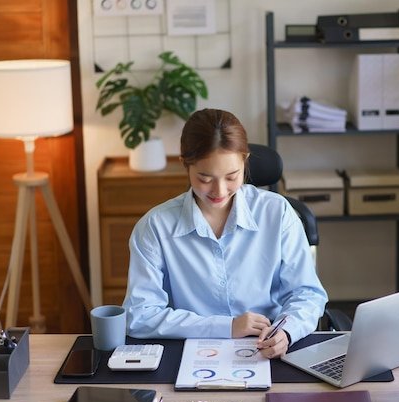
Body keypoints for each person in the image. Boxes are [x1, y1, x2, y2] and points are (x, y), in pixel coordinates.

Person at [122, 108, 328, 358]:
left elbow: (307, 293)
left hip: (267, 351)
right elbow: (140, 315)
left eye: (232, 176)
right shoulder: (155, 227)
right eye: (205, 178)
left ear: (245, 161)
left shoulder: (277, 212)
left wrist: (287, 331)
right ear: (185, 165)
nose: (219, 190)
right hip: (190, 354)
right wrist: (227, 327)